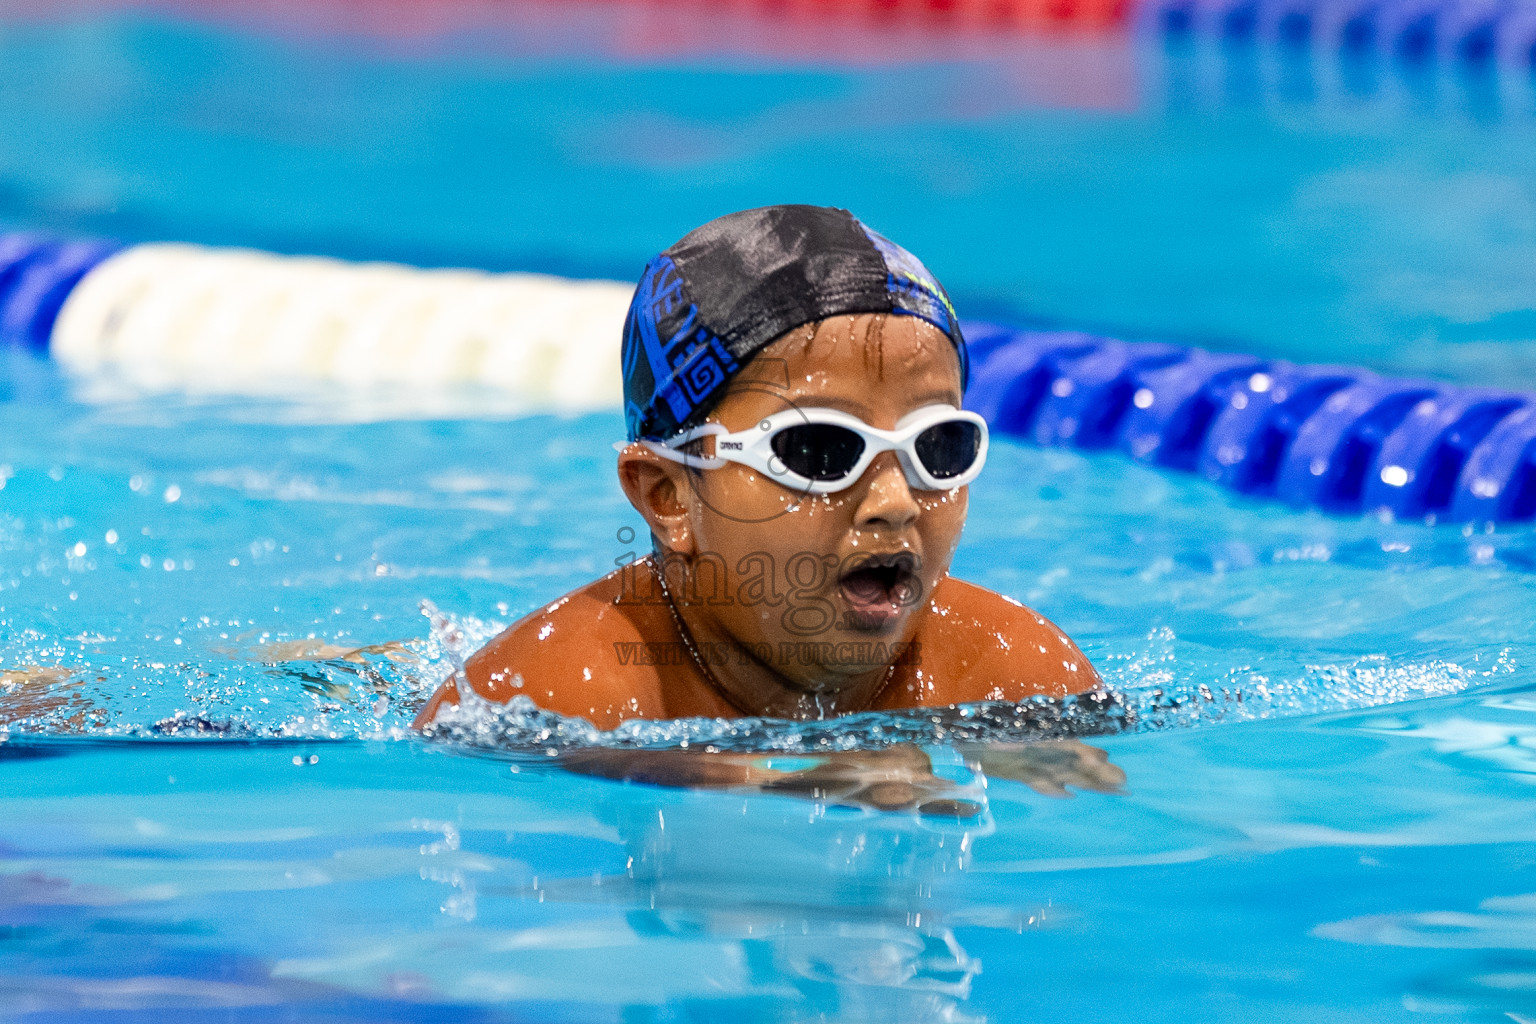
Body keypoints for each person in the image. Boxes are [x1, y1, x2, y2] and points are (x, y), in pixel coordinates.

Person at [415, 205, 1100, 733]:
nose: (895, 501)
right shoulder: (560, 693)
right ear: (670, 496)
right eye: (820, 451)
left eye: (937, 447)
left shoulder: (1013, 673)